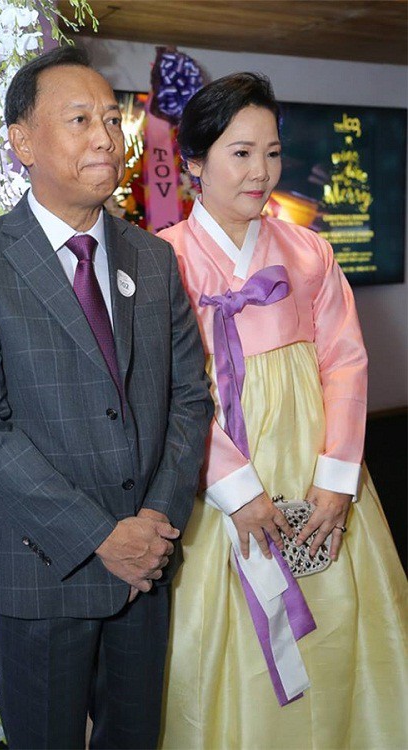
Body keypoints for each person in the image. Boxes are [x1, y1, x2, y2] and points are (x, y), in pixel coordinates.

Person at [0, 46, 213, 750]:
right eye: (80, 119)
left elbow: (190, 399)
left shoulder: (153, 258)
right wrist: (100, 537)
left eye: (112, 120)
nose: (106, 138)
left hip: (146, 564)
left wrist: (154, 522)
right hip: (43, 568)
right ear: (22, 141)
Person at [158, 72, 407, 750]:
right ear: (194, 162)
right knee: (225, 635)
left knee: (339, 619)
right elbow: (165, 391)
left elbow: (345, 363)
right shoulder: (162, 261)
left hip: (313, 462)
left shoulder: (309, 250)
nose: (261, 171)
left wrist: (336, 481)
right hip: (216, 478)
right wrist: (237, 492)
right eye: (241, 153)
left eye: (271, 152)